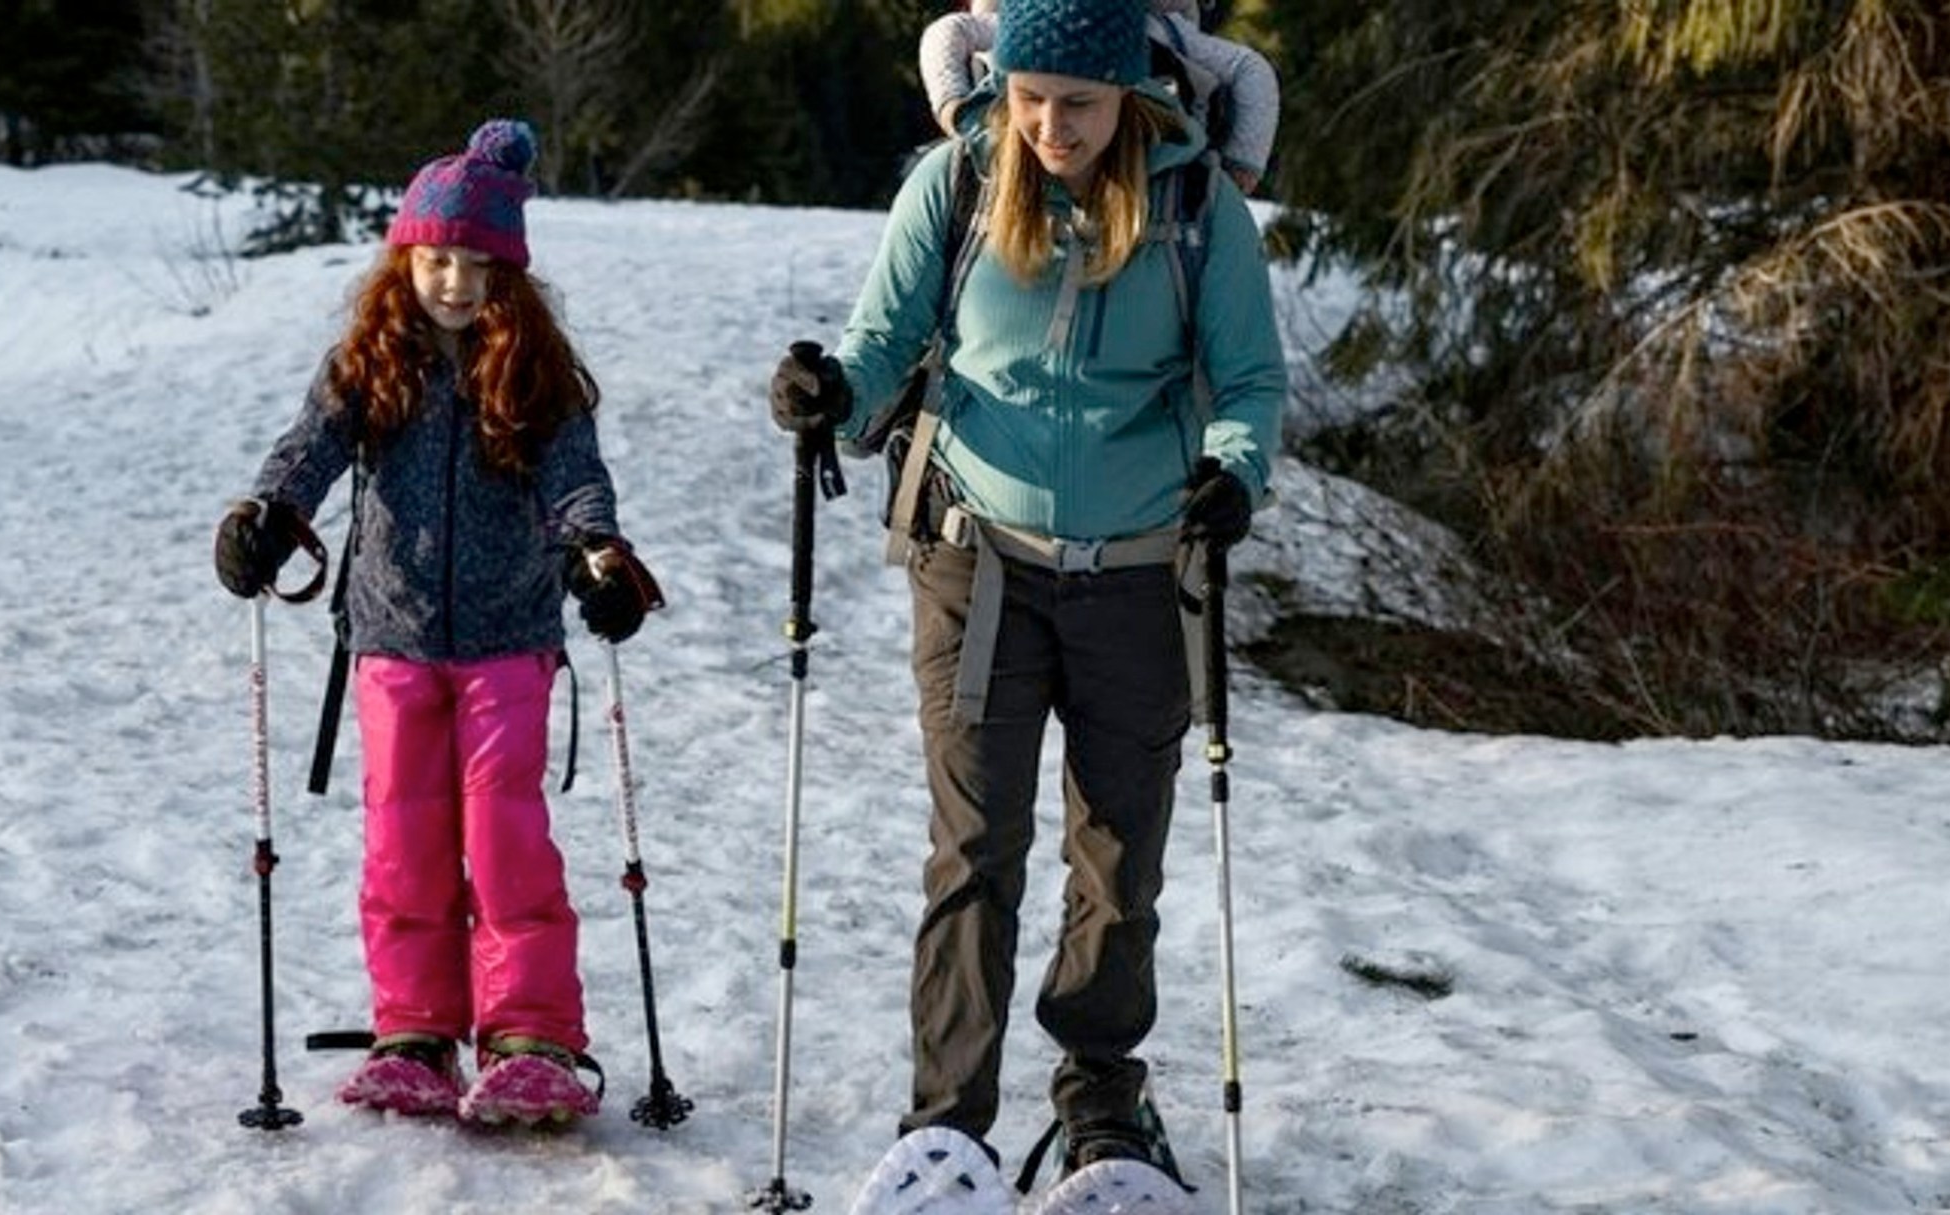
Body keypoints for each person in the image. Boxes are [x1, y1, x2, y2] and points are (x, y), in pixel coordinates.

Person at [771, 0, 1286, 1179]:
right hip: (976, 561)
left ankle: (1102, 1098)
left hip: (1141, 572)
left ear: (1134, 99)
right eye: (1031, 98)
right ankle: (947, 1123)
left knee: (1118, 853)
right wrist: (824, 395)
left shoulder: (1197, 207)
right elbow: (877, 346)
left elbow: (1250, 379)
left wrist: (1233, 472)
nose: (1052, 126)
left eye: (1081, 104)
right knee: (974, 846)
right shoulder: (953, 186)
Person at [212, 118, 662, 1127]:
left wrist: (600, 555)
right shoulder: (371, 359)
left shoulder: (536, 373)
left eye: (478, 265)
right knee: (403, 839)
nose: (455, 282)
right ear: (406, 258)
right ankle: (414, 1028)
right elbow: (310, 449)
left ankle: (531, 1033)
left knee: (506, 837)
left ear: (511, 273)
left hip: (509, 634)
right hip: (392, 637)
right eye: (437, 260)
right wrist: (269, 517)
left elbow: (574, 478)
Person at [919, 0, 1280, 194]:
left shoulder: (1165, 30)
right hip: (1018, 158)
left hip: (1151, 171)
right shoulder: (1032, 20)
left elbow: (1251, 70)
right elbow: (948, 34)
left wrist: (1240, 167)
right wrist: (955, 109)